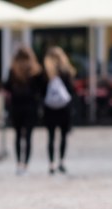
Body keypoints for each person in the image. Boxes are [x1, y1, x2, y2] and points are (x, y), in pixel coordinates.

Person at [3, 46, 45, 175]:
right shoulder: (35, 71)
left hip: (16, 107)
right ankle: (25, 164)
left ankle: (18, 164)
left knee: (17, 136)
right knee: (28, 137)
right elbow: (42, 89)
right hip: (31, 107)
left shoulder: (13, 70)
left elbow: (6, 87)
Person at [42, 46, 77, 175]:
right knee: (63, 136)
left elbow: (41, 92)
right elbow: (72, 92)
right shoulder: (66, 71)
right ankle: (61, 162)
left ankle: (51, 164)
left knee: (51, 137)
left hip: (49, 108)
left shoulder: (46, 72)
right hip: (64, 108)